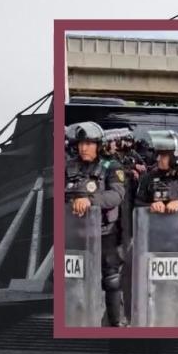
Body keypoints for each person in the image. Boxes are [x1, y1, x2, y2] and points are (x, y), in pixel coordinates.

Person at [65, 122, 128, 327]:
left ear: (98, 145)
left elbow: (117, 195)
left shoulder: (111, 166)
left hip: (104, 232)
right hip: (74, 233)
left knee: (111, 279)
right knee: (73, 279)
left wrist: (90, 200)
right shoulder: (68, 165)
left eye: (89, 143)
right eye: (81, 143)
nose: (84, 148)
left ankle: (115, 323)